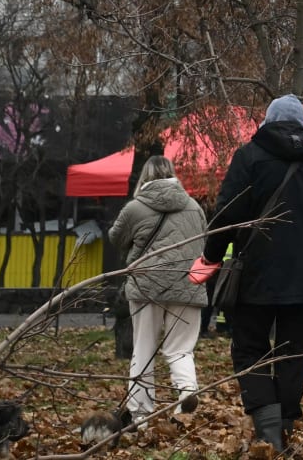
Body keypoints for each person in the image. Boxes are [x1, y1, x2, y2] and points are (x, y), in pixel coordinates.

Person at [192, 95, 303, 453]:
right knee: (293, 353)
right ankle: (282, 426)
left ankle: (268, 430)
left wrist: (210, 259)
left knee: (249, 349)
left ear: (267, 121)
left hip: (257, 273)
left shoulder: (250, 156)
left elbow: (226, 216)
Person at [107, 155, 208, 420]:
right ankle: (187, 390)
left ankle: (139, 414)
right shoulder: (194, 207)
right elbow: (202, 244)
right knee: (180, 348)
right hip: (187, 285)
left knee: (144, 349)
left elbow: (116, 239)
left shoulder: (135, 208)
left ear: (145, 176)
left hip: (146, 286)